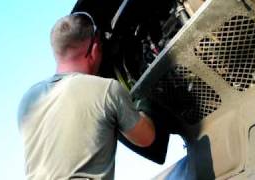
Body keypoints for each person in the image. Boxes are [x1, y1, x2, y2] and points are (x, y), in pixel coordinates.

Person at [17, 12, 155, 180]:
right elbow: (146, 138)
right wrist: (146, 97)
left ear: (56, 52)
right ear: (95, 48)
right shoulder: (106, 90)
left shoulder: (28, 100)